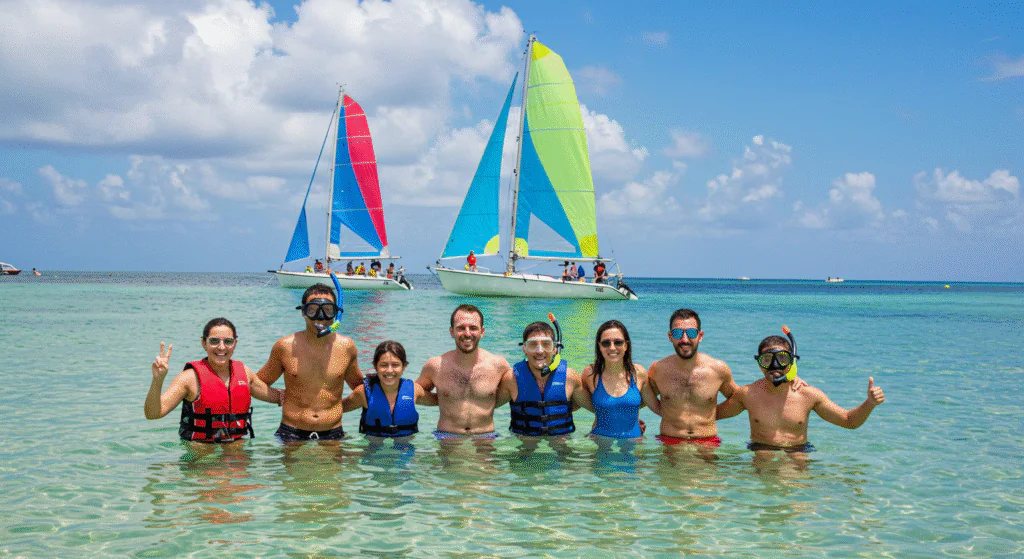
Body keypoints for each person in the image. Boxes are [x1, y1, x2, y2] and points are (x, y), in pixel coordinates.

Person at [716, 332, 885, 453]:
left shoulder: (809, 395)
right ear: (760, 364)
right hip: (761, 452)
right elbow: (709, 414)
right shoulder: (748, 394)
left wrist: (869, 404)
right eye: (767, 360)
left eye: (782, 359)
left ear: (792, 361)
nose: (775, 365)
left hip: (798, 455)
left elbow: (849, 421)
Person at [145, 318, 283, 442]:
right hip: (201, 453)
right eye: (214, 341)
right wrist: (158, 379)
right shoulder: (189, 378)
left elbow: (279, 397)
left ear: (235, 343)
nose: (221, 347)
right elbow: (153, 413)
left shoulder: (244, 373)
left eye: (228, 341)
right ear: (204, 343)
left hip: (236, 450)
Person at [257, 283, 364, 442]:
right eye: (313, 310)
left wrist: (339, 407)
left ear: (336, 313)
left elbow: (360, 388)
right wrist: (277, 396)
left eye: (327, 310)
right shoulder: (285, 346)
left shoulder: (346, 347)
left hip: (332, 433)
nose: (320, 316)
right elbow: (256, 383)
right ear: (303, 312)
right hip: (291, 432)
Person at [416, 304, 512, 439]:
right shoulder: (435, 365)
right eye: (461, 328)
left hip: (485, 437)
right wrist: (444, 399)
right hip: (447, 437)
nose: (467, 334)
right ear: (452, 332)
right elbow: (415, 394)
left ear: (482, 332)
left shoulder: (498, 365)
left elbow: (513, 391)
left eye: (473, 328)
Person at [646, 309, 737, 447]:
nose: (684, 339)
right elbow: (640, 400)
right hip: (670, 443)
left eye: (691, 333)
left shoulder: (718, 369)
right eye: (677, 333)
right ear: (670, 336)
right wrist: (634, 421)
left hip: (707, 444)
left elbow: (741, 399)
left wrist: (711, 415)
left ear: (700, 336)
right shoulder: (659, 370)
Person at [497, 320, 592, 436]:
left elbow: (598, 409)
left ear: (554, 349)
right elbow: (485, 407)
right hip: (525, 441)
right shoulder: (511, 379)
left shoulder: (570, 377)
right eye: (533, 345)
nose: (540, 351)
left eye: (546, 344)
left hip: (561, 441)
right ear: (524, 349)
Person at [582, 320, 660, 439]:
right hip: (600, 441)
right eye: (606, 343)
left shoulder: (638, 373)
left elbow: (657, 407)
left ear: (626, 345)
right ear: (599, 346)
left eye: (618, 342)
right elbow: (577, 402)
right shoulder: (591, 374)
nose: (612, 348)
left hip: (634, 442)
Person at [342, 341, 436, 438]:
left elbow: (442, 401)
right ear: (375, 366)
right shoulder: (363, 392)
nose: (390, 370)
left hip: (406, 447)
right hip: (373, 447)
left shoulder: (414, 390)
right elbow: (336, 408)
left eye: (395, 365)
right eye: (384, 365)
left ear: (404, 367)